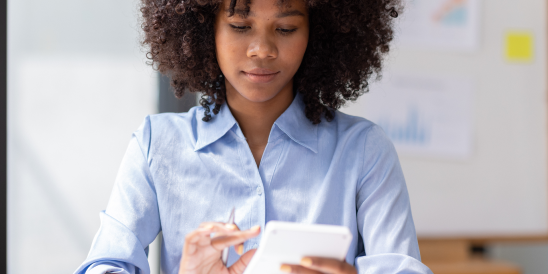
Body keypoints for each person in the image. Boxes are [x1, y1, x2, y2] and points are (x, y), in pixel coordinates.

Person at [75, 0, 432, 273]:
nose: (262, 49)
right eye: (240, 26)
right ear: (204, 30)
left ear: (318, 33)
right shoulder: (157, 145)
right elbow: (104, 264)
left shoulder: (365, 150)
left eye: (287, 28)